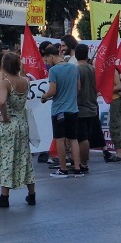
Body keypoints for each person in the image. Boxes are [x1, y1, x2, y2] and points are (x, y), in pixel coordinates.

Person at [0, 52, 36, 207]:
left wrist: (4, 116)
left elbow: (2, 101)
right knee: (24, 158)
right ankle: (31, 193)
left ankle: (4, 196)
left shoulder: (6, 83)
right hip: (22, 123)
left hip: (10, 124)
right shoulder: (25, 81)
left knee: (8, 158)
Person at [40, 44, 83, 177]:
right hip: (73, 109)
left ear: (51, 56)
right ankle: (77, 168)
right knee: (73, 139)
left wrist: (44, 96)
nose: (47, 63)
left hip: (59, 110)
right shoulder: (73, 68)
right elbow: (78, 88)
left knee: (59, 139)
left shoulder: (54, 71)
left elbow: (53, 90)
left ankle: (63, 169)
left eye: (47, 60)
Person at [74, 44, 108, 168]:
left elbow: (76, 89)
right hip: (92, 105)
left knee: (82, 138)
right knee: (85, 136)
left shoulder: (77, 70)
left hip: (81, 107)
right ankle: (83, 162)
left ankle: (83, 163)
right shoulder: (92, 69)